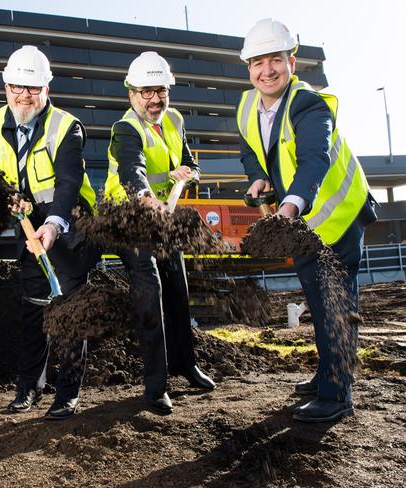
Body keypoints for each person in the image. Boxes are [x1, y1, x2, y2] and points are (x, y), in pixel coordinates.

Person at [237, 19, 376, 422]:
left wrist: (289, 208)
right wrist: (257, 178)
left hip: (338, 219)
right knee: (317, 300)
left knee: (335, 304)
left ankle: (337, 396)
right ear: (248, 68)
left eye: (275, 60)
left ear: (292, 62)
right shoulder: (247, 105)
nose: (267, 70)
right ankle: (325, 376)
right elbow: (249, 149)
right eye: (258, 62)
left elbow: (316, 159)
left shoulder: (309, 104)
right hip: (301, 226)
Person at [0, 45, 97, 420]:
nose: (24, 95)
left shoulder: (67, 126)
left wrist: (53, 224)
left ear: (47, 89)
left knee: (69, 313)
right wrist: (8, 197)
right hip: (29, 229)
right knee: (33, 311)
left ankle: (68, 393)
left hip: (69, 226)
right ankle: (29, 386)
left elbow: (68, 183)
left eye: (32, 88)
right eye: (17, 87)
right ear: (5, 86)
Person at [104, 51, 216, 416]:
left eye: (161, 91)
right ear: (131, 94)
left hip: (163, 214)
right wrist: (146, 199)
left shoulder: (175, 119)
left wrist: (189, 171)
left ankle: (185, 363)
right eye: (146, 92)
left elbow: (187, 159)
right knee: (149, 294)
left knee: (177, 289)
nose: (155, 100)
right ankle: (156, 385)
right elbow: (132, 171)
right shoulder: (125, 129)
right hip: (129, 217)